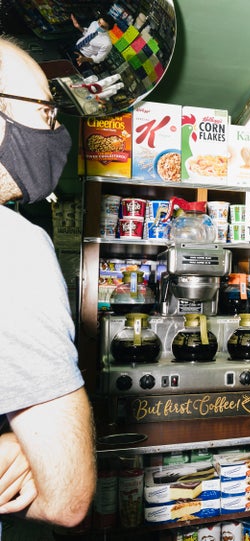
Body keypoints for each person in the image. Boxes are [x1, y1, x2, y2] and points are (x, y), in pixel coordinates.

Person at [0, 38, 96, 530]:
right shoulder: (14, 245)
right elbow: (66, 498)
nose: (57, 130)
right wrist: (27, 446)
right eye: (46, 109)